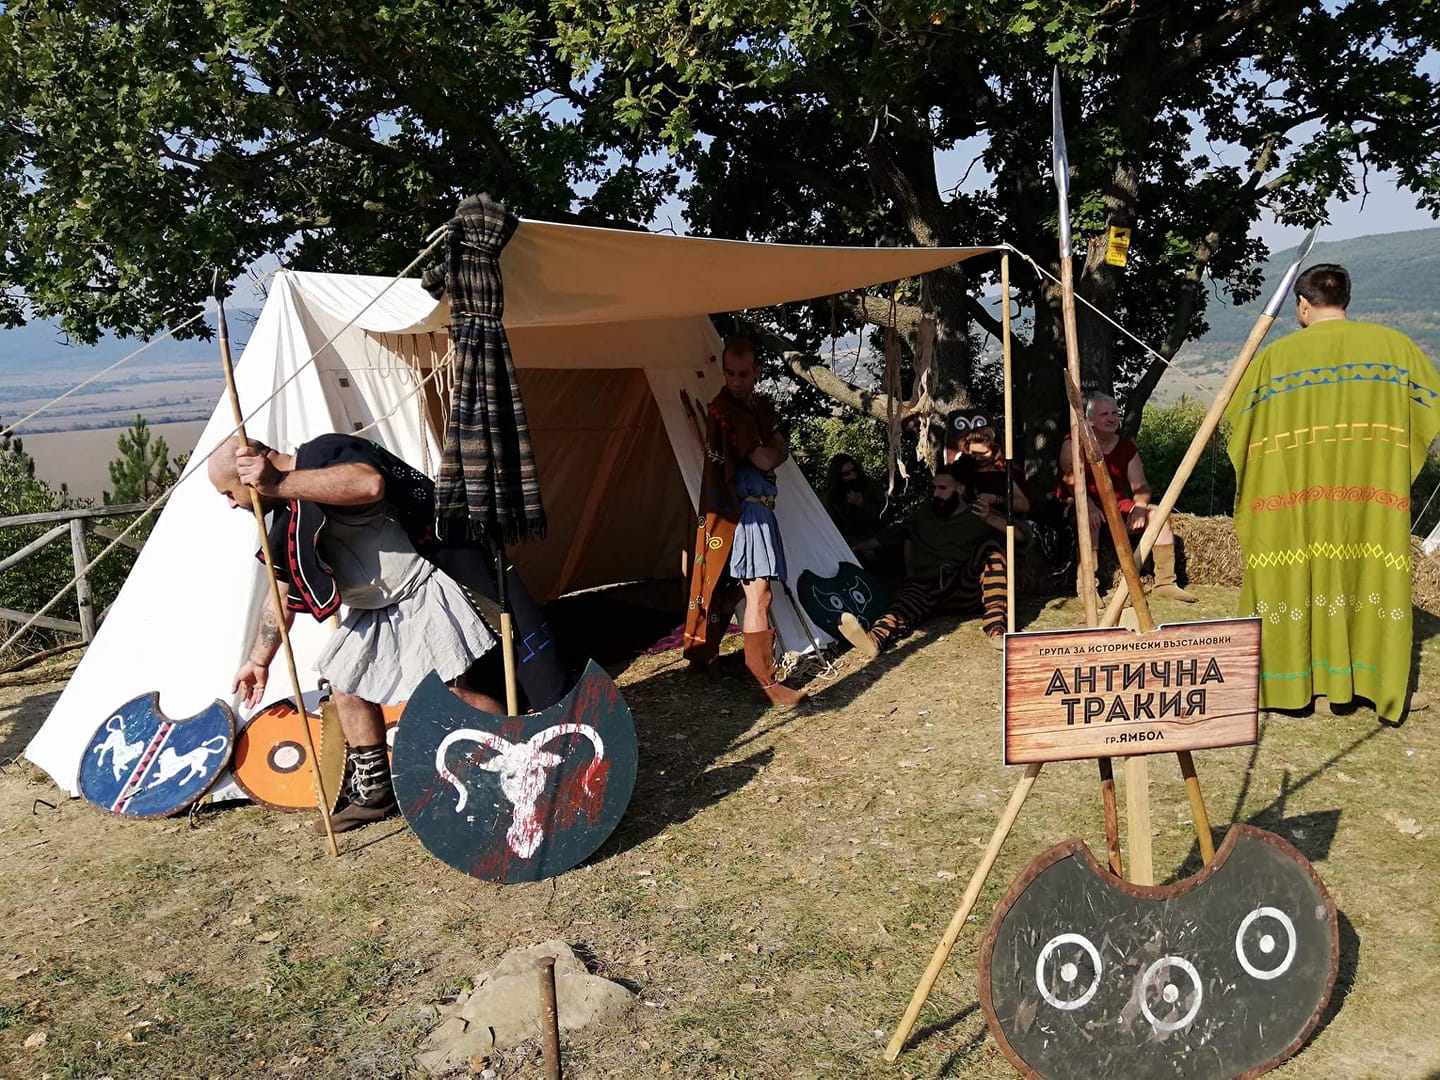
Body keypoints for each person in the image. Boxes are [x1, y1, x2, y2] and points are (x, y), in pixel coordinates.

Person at [209, 432, 565, 831]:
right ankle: (375, 791)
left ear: (249, 469)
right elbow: (279, 595)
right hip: (374, 608)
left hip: (421, 587)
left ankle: (516, 763)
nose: (230, 503)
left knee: (444, 694)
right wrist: (258, 661)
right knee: (346, 686)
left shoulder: (322, 453)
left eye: (228, 492)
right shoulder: (284, 518)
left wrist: (277, 482)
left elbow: (368, 483)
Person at [1226, 263, 1440, 721]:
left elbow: (1240, 426)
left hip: (1294, 503)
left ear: (1303, 305)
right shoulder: (1395, 349)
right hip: (1370, 502)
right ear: (1345, 299)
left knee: (1296, 574)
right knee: (1368, 577)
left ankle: (1297, 685)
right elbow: (1428, 408)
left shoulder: (1275, 360)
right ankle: (1375, 684)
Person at [682, 336, 806, 705]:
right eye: (730, 373)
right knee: (759, 594)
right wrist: (775, 448)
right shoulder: (726, 410)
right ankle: (764, 681)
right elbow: (768, 457)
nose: (736, 381)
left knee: (750, 593)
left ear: (757, 372)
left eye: (743, 374)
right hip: (746, 513)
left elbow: (775, 448)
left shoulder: (757, 407)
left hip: (761, 509)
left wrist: (775, 447)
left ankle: (753, 674)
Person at [841, 463, 1007, 656]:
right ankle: (875, 639)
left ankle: (996, 629)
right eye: (934, 488)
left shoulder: (978, 513)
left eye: (942, 488)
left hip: (964, 588)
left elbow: (1020, 534)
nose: (936, 493)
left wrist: (990, 519)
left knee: (991, 550)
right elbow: (892, 534)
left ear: (960, 489)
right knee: (904, 604)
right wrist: (855, 548)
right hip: (928, 588)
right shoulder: (925, 513)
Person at [1057, 394, 1197, 603]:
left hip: (1115, 505)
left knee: (1158, 514)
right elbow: (1071, 481)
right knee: (1088, 519)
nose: (1111, 418)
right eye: (1105, 414)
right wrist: (1090, 506)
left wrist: (1140, 506)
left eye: (1114, 413)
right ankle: (1087, 588)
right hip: (1080, 503)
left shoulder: (1126, 448)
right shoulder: (1074, 443)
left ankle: (1165, 582)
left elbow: (1141, 485)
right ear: (1091, 420)